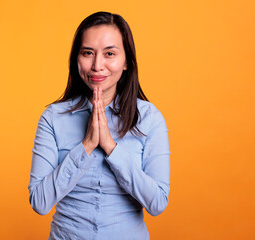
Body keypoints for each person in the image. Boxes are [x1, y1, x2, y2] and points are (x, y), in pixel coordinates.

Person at [28, 11, 170, 240]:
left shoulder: (150, 118)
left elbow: (157, 203)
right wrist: (86, 146)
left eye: (109, 54)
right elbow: (40, 202)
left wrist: (111, 148)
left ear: (126, 62)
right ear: (76, 59)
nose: (97, 65)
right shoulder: (53, 117)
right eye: (88, 53)